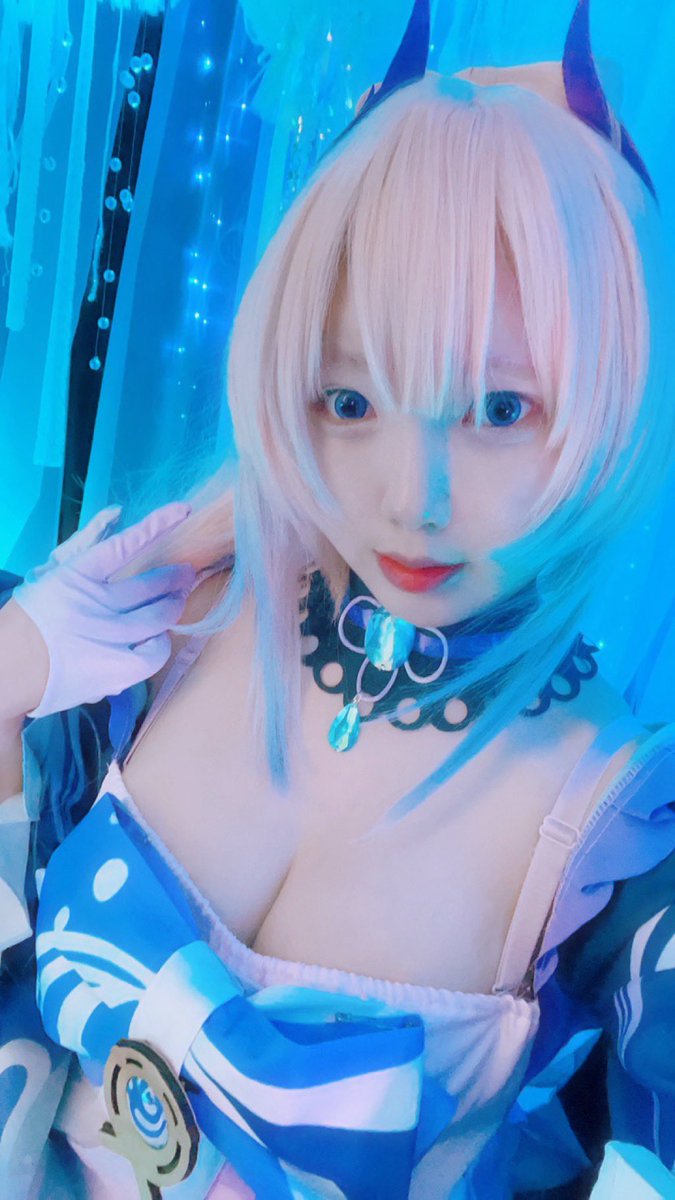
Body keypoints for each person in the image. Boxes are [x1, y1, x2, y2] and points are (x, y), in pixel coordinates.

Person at [1, 1, 674, 1196]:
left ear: (608, 399)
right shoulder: (180, 610)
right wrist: (10, 672)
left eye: (499, 409)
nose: (411, 501)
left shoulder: (617, 836)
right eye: (352, 401)